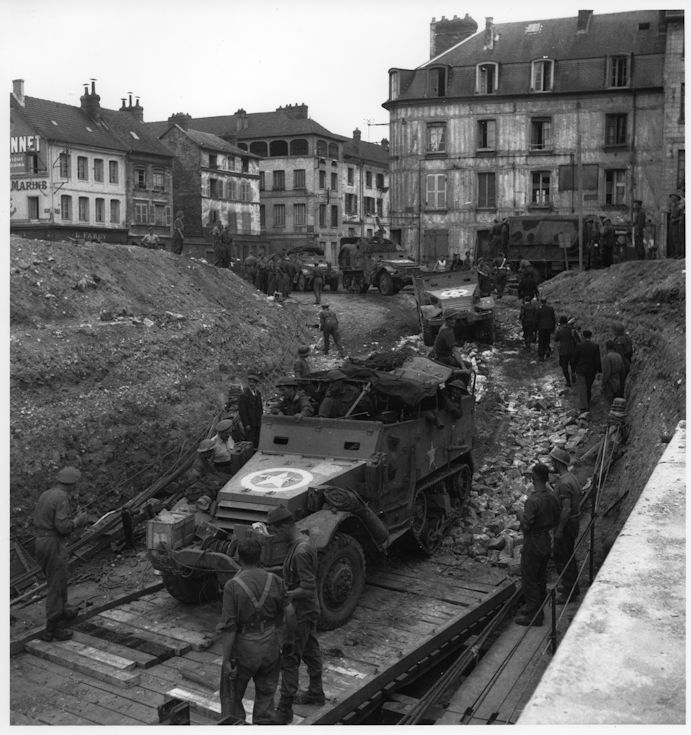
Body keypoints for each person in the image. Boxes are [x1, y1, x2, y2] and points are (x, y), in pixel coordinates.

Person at [219, 537, 294, 725]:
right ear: (260, 556)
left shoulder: (233, 586)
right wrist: (287, 642)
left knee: (232, 698)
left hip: (244, 649)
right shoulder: (275, 580)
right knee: (267, 697)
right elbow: (290, 614)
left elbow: (229, 629)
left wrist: (226, 660)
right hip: (270, 645)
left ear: (238, 557)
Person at [267, 506, 325, 724]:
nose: (275, 537)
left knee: (289, 658)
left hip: (301, 613)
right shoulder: (302, 542)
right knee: (310, 650)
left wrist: (286, 595)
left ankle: (284, 710)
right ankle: (316, 692)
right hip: (308, 611)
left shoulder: (300, 552)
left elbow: (308, 587)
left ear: (285, 526)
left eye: (275, 531)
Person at [33, 467, 90, 641]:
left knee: (60, 578)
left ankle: (62, 611)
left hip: (42, 541)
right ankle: (52, 629)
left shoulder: (47, 494)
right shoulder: (62, 498)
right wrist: (78, 521)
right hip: (52, 542)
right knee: (56, 584)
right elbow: (63, 527)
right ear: (71, 485)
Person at [514, 463, 561, 626]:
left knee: (529, 577)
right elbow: (557, 517)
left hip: (533, 542)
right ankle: (536, 605)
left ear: (534, 478)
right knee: (540, 575)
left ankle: (535, 614)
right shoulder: (552, 496)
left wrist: (520, 514)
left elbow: (526, 525)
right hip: (547, 539)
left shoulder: (533, 501)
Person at [549, 448, 582, 604]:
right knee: (568, 554)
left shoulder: (564, 483)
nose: (551, 464)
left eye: (552, 461)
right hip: (574, 521)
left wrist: (559, 530)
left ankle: (570, 590)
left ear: (557, 463)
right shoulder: (571, 478)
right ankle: (571, 585)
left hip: (567, 524)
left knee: (562, 556)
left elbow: (566, 508)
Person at [573, 329, 602, 412]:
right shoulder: (595, 346)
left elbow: (575, 358)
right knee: (588, 387)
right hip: (591, 370)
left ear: (583, 336)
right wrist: (599, 371)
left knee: (582, 387)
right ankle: (588, 403)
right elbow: (597, 360)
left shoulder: (579, 345)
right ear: (590, 336)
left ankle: (583, 407)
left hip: (581, 369)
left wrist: (574, 368)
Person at [238, 374, 263, 448]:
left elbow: (260, 408)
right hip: (250, 423)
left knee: (257, 440)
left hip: (258, 422)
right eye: (250, 382)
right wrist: (246, 424)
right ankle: (249, 457)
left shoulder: (258, 394)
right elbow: (242, 411)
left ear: (256, 384)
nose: (251, 384)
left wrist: (261, 419)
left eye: (253, 382)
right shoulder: (244, 394)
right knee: (250, 441)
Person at [554, 316, 579, 387]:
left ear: (561, 323)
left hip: (563, 351)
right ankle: (573, 374)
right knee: (573, 365)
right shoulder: (572, 330)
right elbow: (578, 339)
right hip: (572, 350)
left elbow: (555, 339)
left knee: (564, 367)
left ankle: (568, 382)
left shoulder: (559, 330)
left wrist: (557, 330)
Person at [601, 340, 626, 407]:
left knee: (610, 402)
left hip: (610, 382)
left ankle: (611, 416)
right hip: (618, 381)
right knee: (617, 402)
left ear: (607, 347)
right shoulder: (619, 356)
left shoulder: (608, 357)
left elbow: (606, 373)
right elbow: (623, 371)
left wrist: (603, 385)